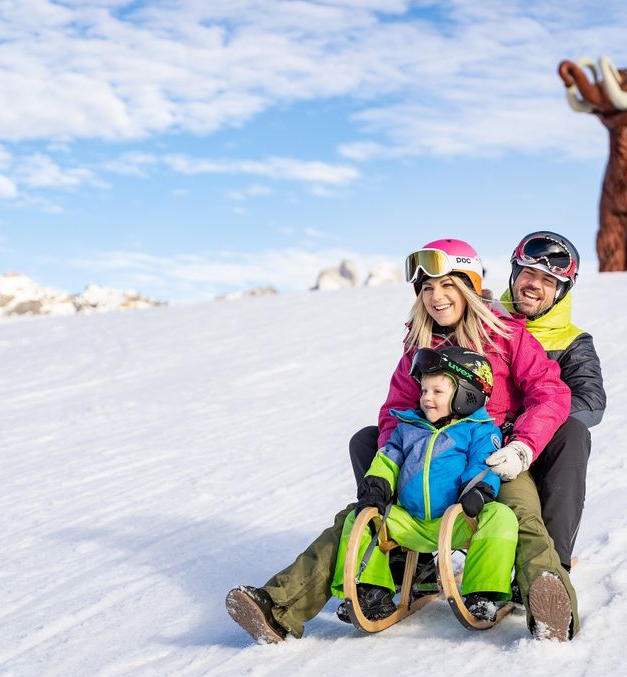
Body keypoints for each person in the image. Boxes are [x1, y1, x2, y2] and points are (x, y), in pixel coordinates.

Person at [227, 238, 578, 643]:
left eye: (447, 286)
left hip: (489, 456)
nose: (436, 297)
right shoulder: (418, 346)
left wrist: (521, 447)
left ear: (466, 286)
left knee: (519, 511)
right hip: (426, 455)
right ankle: (277, 608)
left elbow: (551, 393)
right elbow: (394, 412)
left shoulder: (505, 335)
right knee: (356, 519)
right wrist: (388, 470)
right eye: (427, 288)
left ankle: (550, 611)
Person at [331, 346, 517, 625]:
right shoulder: (408, 427)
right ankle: (370, 591)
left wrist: (478, 492)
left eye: (437, 392)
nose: (427, 399)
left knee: (502, 518)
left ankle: (483, 594)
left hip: (458, 520)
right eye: (424, 391)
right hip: (411, 523)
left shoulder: (479, 430)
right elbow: (388, 458)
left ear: (467, 395)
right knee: (360, 518)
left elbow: (483, 465)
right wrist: (376, 485)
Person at [492, 231, 605, 571]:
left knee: (572, 433)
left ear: (560, 291)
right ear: (514, 273)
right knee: (376, 436)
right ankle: (404, 560)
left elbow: (591, 400)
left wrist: (526, 424)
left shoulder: (571, 342)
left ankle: (551, 569)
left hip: (536, 451)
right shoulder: (485, 322)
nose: (533, 285)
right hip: (478, 438)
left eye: (547, 280)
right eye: (528, 273)